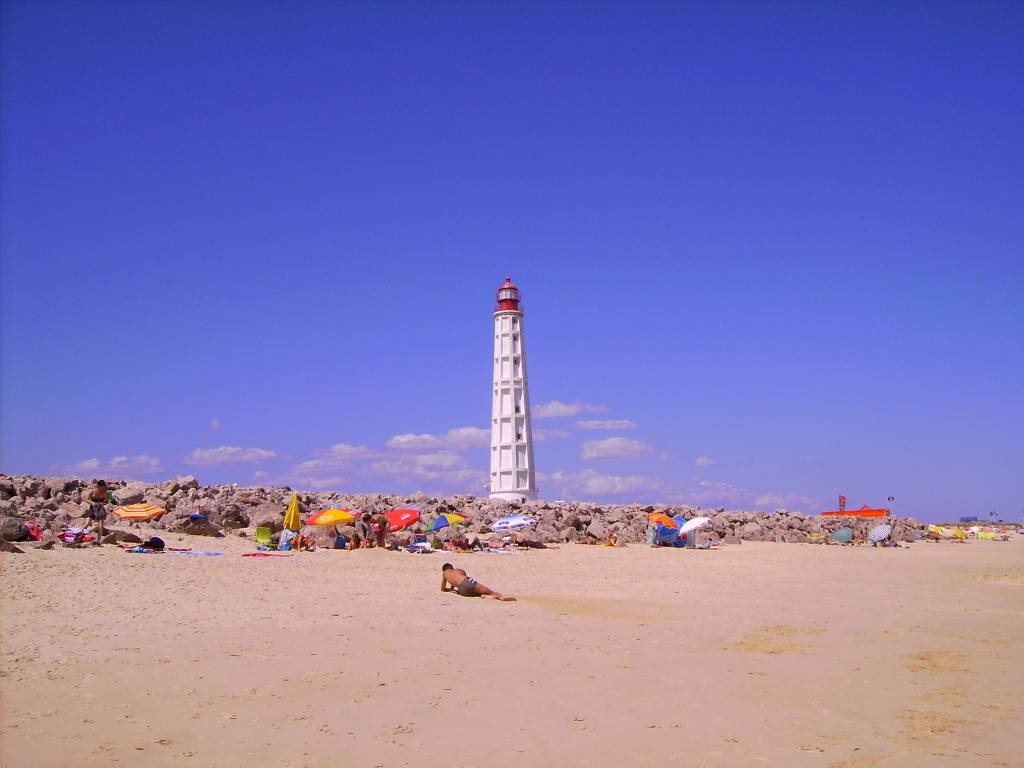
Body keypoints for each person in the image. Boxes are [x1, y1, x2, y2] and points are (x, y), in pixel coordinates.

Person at [440, 563, 516, 601]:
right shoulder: (458, 570)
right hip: (468, 583)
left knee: (476, 593)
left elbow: (442, 589)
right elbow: (464, 578)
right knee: (490, 591)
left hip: (462, 591)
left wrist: (451, 589)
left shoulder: (444, 574)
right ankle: (500, 597)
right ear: (452, 567)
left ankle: (484, 596)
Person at [83, 479, 110, 544]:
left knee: (101, 524)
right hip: (92, 508)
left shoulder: (104, 493)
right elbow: (85, 499)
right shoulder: (93, 492)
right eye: (102, 487)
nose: (103, 488)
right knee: (88, 523)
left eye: (104, 487)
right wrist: (92, 502)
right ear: (99, 486)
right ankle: (79, 535)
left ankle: (99, 540)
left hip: (100, 508)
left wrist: (102, 504)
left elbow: (106, 501)